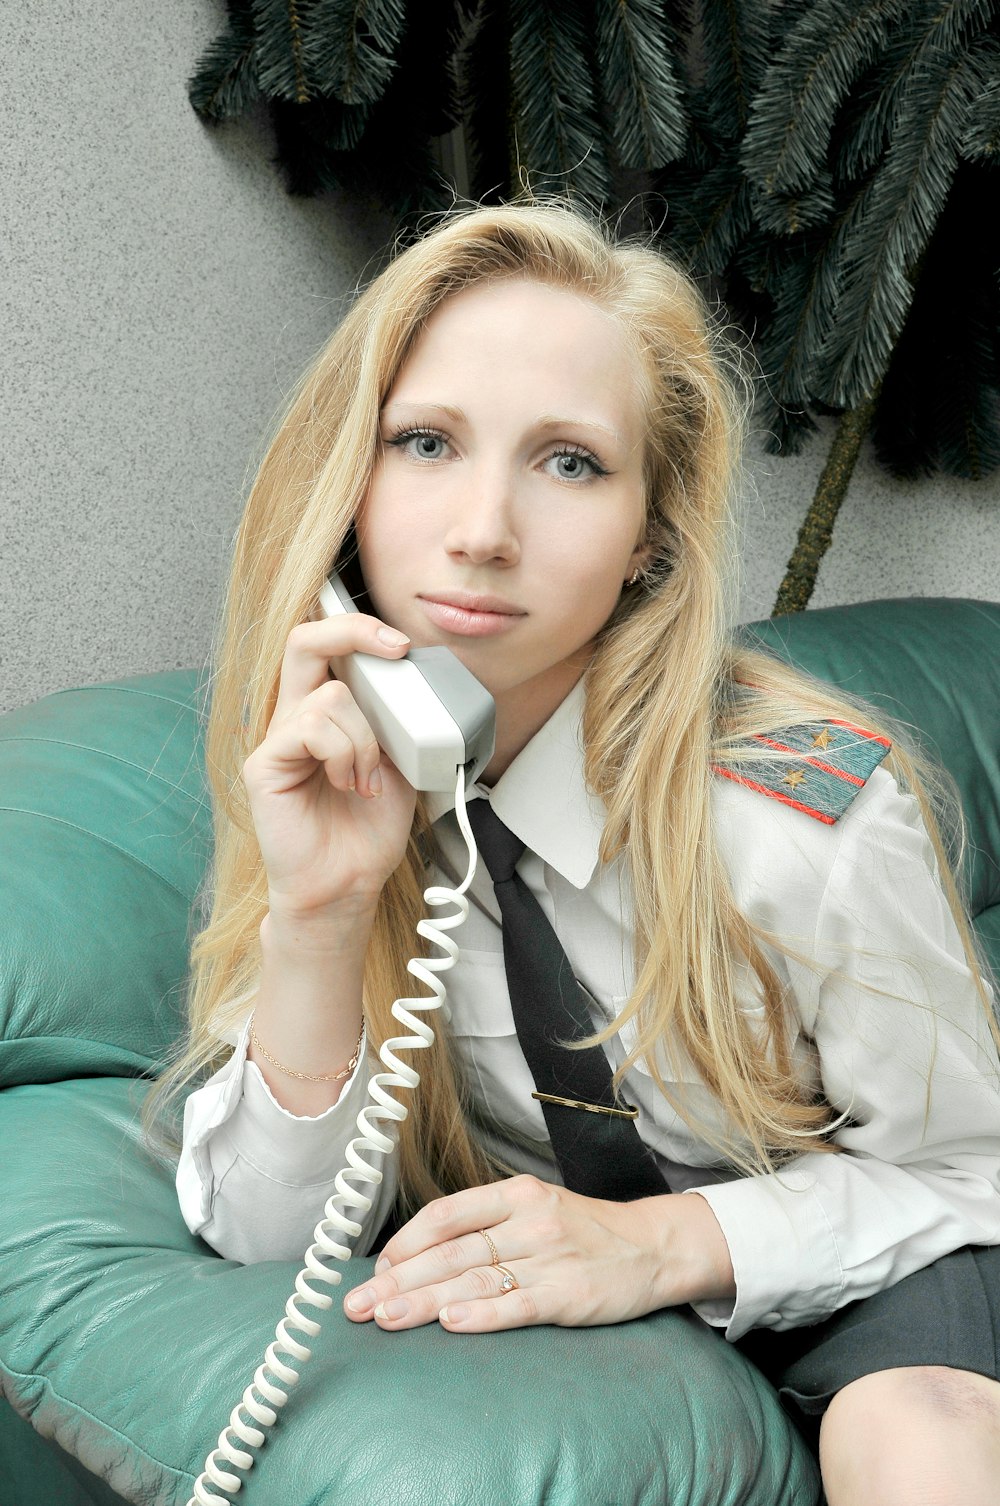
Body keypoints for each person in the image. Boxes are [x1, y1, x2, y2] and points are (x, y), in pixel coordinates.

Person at [150, 197, 1000, 1504]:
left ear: (652, 532)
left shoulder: (798, 814)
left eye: (569, 463)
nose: (482, 528)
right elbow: (263, 1233)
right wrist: (320, 916)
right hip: (560, 1241)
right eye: (425, 442)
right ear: (348, 487)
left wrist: (663, 1245)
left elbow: (972, 1169)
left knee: (920, 1432)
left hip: (838, 1219)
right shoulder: (329, 756)